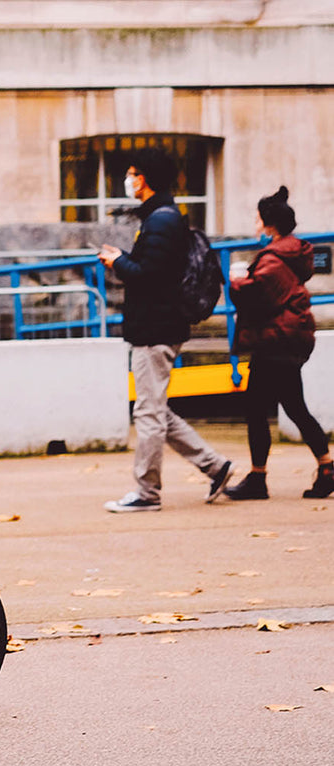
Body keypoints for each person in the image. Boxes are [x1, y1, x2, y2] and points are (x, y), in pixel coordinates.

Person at [97, 148, 235, 512]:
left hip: (154, 330)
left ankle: (147, 493)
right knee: (155, 408)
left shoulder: (160, 220)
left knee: (149, 412)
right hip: (157, 326)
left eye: (131, 173)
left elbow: (151, 276)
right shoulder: (162, 217)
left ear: (144, 178)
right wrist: (125, 260)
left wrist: (118, 261)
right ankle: (215, 466)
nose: (128, 180)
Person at [222, 187, 333, 500]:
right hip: (286, 337)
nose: (255, 222)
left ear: (268, 222)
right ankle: (323, 468)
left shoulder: (273, 257)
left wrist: (232, 281)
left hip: (276, 340)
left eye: (258, 217)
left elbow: (258, 294)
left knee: (260, 408)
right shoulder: (291, 252)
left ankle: (261, 478)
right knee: (290, 407)